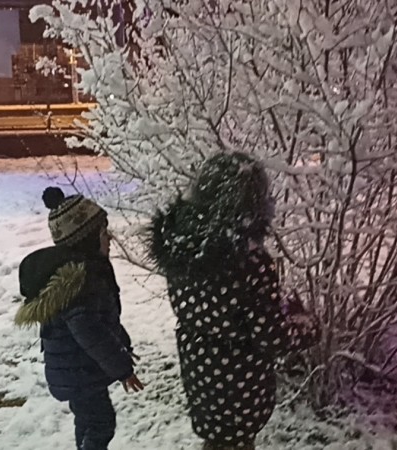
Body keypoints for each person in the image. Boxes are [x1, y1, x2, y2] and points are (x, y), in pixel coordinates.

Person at [148, 152, 290, 450]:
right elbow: (271, 335)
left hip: (201, 375)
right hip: (241, 383)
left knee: (216, 441)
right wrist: (305, 326)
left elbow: (204, 308)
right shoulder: (250, 261)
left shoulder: (181, 247)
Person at [15, 187, 144, 450]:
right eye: (103, 233)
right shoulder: (82, 282)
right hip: (80, 370)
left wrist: (123, 344)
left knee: (88, 421)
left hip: (77, 370)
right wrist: (122, 368)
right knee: (101, 423)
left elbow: (104, 322)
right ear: (87, 240)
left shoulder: (81, 275)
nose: (109, 237)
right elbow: (90, 332)